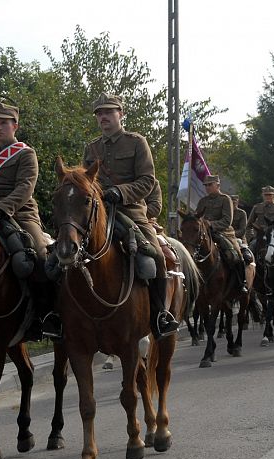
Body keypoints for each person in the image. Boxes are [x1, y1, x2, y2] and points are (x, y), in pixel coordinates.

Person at [83, 93, 179, 338]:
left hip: (131, 211)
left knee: (155, 255)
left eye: (108, 112)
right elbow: (85, 181)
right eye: (99, 113)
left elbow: (147, 180)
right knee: (67, 251)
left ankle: (160, 315)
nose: (103, 117)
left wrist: (120, 192)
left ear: (120, 114)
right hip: (98, 212)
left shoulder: (137, 142)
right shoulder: (91, 147)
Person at [0, 101, 55, 339]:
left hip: (20, 213)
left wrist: (1, 208)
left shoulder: (26, 154)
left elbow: (25, 188)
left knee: (39, 256)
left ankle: (45, 317)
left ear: (15, 125)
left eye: (3, 123)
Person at [195, 175, 248, 294]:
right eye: (206, 185)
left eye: (210, 185)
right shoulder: (202, 201)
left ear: (217, 185)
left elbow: (227, 220)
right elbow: (197, 216)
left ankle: (241, 283)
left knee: (235, 255)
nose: (207, 187)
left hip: (223, 232)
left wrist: (211, 224)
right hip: (205, 232)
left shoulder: (225, 199)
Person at [246, 185, 274, 250]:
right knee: (251, 249)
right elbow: (249, 225)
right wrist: (251, 237)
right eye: (266, 195)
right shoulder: (257, 207)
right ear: (262, 195)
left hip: (273, 237)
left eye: (270, 195)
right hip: (259, 236)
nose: (268, 197)